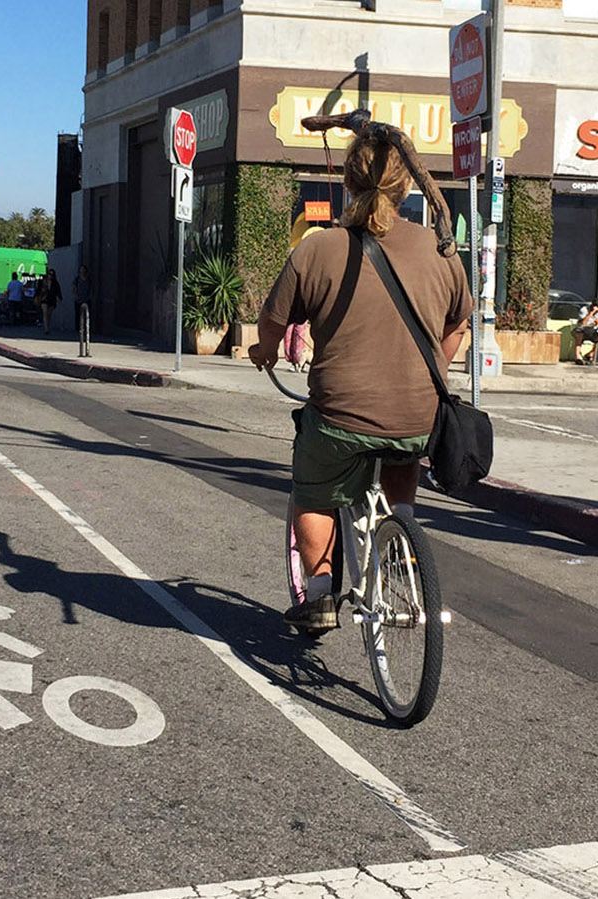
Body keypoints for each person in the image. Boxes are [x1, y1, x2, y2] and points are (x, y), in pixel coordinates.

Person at [247, 127, 473, 631]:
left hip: (339, 415)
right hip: (418, 414)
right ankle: (403, 533)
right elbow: (459, 324)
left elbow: (273, 325)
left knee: (313, 491)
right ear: (406, 188)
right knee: (401, 455)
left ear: (349, 182)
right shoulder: (441, 252)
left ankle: (321, 596)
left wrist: (263, 352)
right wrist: (435, 366)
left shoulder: (317, 249)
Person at [572, 299, 598, 364]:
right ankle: (577, 357)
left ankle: (590, 354)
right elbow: (583, 322)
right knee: (579, 336)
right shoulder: (584, 309)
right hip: (581, 330)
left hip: (592, 331)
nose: (597, 311)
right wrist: (592, 312)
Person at [73, 264, 93, 357]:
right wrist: (76, 297)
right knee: (78, 316)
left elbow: (91, 289)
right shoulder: (77, 279)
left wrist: (89, 297)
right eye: (81, 269)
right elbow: (74, 288)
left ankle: (86, 333)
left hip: (87, 300)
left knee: (87, 316)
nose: (82, 271)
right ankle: (79, 332)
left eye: (84, 269)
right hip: (79, 300)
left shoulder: (89, 280)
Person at [41, 270, 62, 335]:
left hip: (52, 299)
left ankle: (48, 325)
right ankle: (46, 328)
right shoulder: (43, 282)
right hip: (44, 298)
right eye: (49, 274)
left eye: (52, 274)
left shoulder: (55, 283)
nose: (50, 276)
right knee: (45, 313)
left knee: (49, 314)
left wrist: (59, 298)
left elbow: (58, 291)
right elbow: (39, 289)